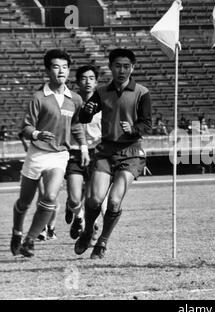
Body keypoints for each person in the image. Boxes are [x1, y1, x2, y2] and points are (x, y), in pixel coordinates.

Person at [10, 49, 88, 257]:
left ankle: (29, 240)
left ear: (69, 70)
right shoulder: (39, 97)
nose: (61, 71)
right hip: (36, 155)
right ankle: (17, 232)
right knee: (24, 202)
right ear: (48, 70)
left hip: (59, 155)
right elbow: (26, 128)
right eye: (56, 66)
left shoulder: (76, 99)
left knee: (50, 196)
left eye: (65, 67)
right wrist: (37, 133)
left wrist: (83, 146)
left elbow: (77, 125)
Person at [75, 48, 152, 259]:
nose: (122, 70)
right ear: (110, 67)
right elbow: (83, 118)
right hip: (106, 152)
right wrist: (86, 111)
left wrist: (134, 129)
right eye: (118, 65)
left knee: (115, 201)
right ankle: (88, 231)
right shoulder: (102, 92)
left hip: (132, 152)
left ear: (133, 68)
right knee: (93, 200)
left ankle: (103, 242)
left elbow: (147, 124)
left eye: (126, 66)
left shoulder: (142, 93)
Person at [64, 65, 103, 241]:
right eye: (84, 78)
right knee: (74, 198)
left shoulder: (104, 103)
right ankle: (78, 215)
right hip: (74, 152)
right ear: (78, 81)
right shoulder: (70, 101)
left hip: (97, 153)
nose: (87, 82)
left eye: (91, 78)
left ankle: (90, 225)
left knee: (93, 197)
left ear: (96, 81)